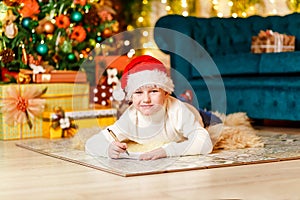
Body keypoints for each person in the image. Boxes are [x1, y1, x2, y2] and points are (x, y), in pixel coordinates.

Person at [85, 55, 219, 160]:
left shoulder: (178, 111)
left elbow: (205, 143)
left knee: (214, 121)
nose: (146, 99)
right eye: (138, 92)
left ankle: (186, 99)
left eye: (153, 91)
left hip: (193, 112)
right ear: (131, 97)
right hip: (167, 103)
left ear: (166, 92)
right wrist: (107, 149)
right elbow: (91, 143)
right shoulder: (131, 117)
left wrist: (167, 151)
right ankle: (183, 97)